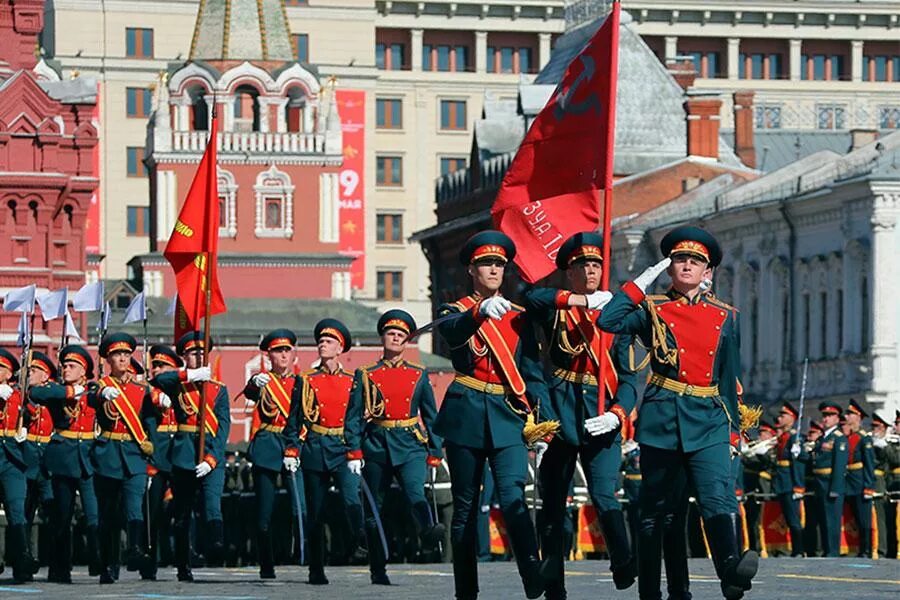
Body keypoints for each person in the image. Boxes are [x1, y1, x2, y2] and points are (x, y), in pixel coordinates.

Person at [598, 225, 757, 600]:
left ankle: (732, 572)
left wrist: (735, 430)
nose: (686, 265)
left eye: (695, 261)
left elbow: (728, 375)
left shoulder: (726, 315)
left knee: (717, 497)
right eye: (679, 260)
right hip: (664, 418)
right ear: (669, 268)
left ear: (708, 272)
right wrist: (640, 283)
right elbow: (607, 321)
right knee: (658, 512)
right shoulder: (652, 309)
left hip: (710, 417)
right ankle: (657, 591)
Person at [434, 230, 551, 600]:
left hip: (508, 414)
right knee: (466, 507)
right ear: (472, 268)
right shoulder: (455, 311)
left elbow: (533, 373)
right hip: (467, 411)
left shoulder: (519, 317)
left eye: (500, 264)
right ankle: (466, 590)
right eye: (487, 264)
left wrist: (542, 420)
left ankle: (532, 573)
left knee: (514, 494)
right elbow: (452, 335)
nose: (494, 270)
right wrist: (478, 311)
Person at [522, 231, 637, 597]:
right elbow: (530, 297)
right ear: (568, 272)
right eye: (582, 265)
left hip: (600, 408)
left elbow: (631, 376)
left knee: (605, 494)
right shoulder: (556, 306)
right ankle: (554, 582)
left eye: (596, 264)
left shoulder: (615, 312)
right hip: (560, 408)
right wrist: (576, 301)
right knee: (554, 502)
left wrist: (619, 413)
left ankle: (623, 559)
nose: (590, 270)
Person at [347, 309, 445, 585]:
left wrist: (435, 450)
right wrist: (353, 450)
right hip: (376, 444)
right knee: (375, 509)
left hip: (411, 443)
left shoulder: (419, 374)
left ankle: (428, 529)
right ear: (383, 338)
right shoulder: (365, 374)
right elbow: (353, 416)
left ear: (407, 341)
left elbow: (431, 415)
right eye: (391, 333)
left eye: (401, 335)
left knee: (416, 491)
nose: (395, 338)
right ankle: (378, 565)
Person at [283, 318, 365, 585]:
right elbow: (294, 420)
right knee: (315, 512)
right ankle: (316, 567)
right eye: (320, 341)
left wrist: (356, 450)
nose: (322, 345)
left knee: (352, 501)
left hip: (343, 449)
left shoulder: (353, 381)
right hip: (316, 447)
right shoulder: (306, 380)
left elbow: (357, 419)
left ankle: (357, 543)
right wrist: (292, 449)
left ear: (340, 348)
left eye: (328, 342)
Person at [150, 331, 230, 581]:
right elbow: (158, 381)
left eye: (201, 352)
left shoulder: (219, 390)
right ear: (184, 356)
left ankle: (215, 544)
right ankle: (183, 564)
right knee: (182, 513)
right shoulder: (179, 384)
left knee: (211, 504)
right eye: (192, 353)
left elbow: (224, 427)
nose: (197, 356)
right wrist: (189, 374)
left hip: (210, 455)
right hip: (184, 453)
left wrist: (212, 459)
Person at [29, 347, 101, 583]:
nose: (65, 369)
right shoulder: (55, 391)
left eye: (71, 366)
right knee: (62, 517)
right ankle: (60, 567)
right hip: (62, 460)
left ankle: (99, 561)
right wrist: (71, 390)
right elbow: (36, 395)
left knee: (94, 514)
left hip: (88, 459)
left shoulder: (93, 391)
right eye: (64, 365)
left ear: (84, 372)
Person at [91, 333, 157, 583]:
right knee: (108, 515)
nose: (123, 358)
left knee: (134, 507)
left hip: (134, 455)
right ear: (108, 359)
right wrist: (101, 396)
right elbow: (89, 399)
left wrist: (153, 459)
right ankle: (108, 564)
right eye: (117, 355)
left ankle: (135, 550)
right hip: (108, 456)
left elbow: (150, 423)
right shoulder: (101, 386)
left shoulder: (141, 390)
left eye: (127, 354)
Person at [242, 328, 303, 579]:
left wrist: (295, 447)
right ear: (269, 356)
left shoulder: (302, 382)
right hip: (267, 443)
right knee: (264, 511)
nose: (284, 355)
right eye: (279, 351)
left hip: (293, 444)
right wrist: (253, 383)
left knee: (301, 506)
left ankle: (306, 556)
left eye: (287, 350)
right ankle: (266, 563)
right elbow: (250, 393)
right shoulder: (263, 380)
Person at [0, 348, 38, 582]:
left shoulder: (18, 395)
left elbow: (35, 413)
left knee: (17, 510)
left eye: (1, 369)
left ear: (9, 374)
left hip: (12, 459)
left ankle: (22, 558)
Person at [146, 344, 183, 571]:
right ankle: (150, 560)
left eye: (163, 366)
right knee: (152, 513)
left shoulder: (183, 390)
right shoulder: (148, 391)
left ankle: (181, 559)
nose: (158, 370)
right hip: (156, 458)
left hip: (178, 455)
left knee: (180, 511)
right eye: (156, 366)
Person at [808, 401, 847, 557]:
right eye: (824, 415)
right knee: (823, 520)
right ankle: (826, 549)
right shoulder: (823, 437)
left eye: (830, 416)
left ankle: (833, 551)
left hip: (830, 482)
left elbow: (839, 465)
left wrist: (836, 488)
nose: (826, 419)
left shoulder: (839, 438)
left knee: (832, 520)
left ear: (837, 418)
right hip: (819, 483)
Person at [842, 399, 876, 557]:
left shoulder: (864, 439)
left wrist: (869, 486)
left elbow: (869, 464)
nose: (847, 417)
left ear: (858, 417)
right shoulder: (849, 437)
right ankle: (858, 548)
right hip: (850, 483)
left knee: (864, 520)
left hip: (861, 482)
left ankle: (867, 549)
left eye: (850, 414)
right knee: (855, 518)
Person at [771, 402, 805, 556]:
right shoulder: (783, 437)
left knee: (793, 519)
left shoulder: (793, 438)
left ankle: (798, 549)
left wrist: (798, 486)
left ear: (792, 418)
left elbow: (797, 465)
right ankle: (794, 548)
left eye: (783, 415)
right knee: (787, 517)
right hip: (782, 483)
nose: (780, 418)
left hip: (790, 483)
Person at [740, 421, 775, 554]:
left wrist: (752, 455)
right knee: (751, 520)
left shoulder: (771, 447)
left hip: (763, 488)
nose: (761, 436)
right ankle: (754, 546)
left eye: (764, 433)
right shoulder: (757, 446)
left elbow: (763, 464)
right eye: (760, 432)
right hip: (751, 488)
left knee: (761, 522)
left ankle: (762, 548)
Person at [870, 409, 894, 557]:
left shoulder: (888, 443)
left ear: (884, 428)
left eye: (877, 427)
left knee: (880, 520)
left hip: (880, 482)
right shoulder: (869, 440)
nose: (874, 430)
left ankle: (882, 549)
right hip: (867, 482)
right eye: (873, 426)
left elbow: (893, 460)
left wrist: (883, 446)